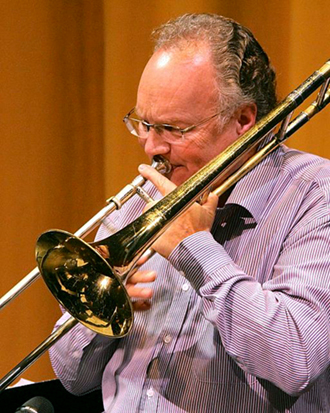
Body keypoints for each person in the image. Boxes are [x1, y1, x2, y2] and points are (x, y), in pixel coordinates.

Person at [49, 13, 330, 412]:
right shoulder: (141, 199)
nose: (152, 148)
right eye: (145, 124)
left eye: (173, 129)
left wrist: (195, 250)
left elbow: (295, 359)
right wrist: (100, 314)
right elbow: (73, 378)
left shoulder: (316, 196)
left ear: (244, 120)